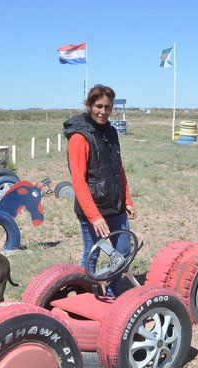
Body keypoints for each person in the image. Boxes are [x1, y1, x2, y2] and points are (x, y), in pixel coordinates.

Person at [63, 84, 136, 297]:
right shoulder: (79, 137)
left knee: (123, 252)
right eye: (98, 106)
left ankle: (112, 292)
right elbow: (78, 180)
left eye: (108, 107)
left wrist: (127, 199)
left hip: (116, 206)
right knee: (93, 253)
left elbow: (118, 169)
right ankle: (85, 292)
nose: (103, 111)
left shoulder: (111, 132)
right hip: (92, 210)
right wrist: (94, 216)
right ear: (88, 105)